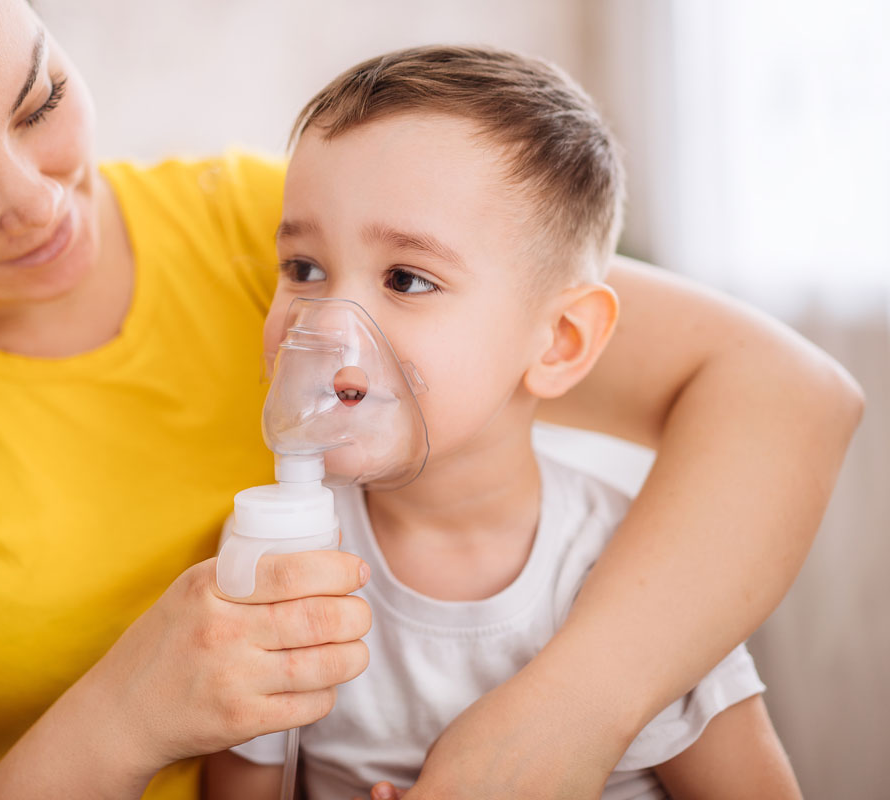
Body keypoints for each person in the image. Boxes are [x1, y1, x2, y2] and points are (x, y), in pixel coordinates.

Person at [0, 2, 861, 799]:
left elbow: (787, 394)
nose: (43, 203)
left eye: (39, 96)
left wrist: (563, 719)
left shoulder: (294, 232)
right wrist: (127, 716)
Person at [203, 45, 804, 800]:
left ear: (560, 341)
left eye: (407, 278)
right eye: (304, 269)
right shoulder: (281, 563)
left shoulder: (635, 579)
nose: (325, 324)